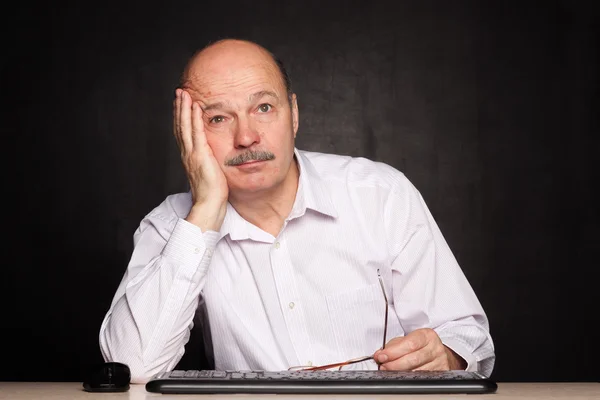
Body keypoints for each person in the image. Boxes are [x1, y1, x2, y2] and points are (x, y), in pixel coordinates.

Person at [99, 38, 495, 384]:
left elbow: (467, 337)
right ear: (188, 134)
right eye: (218, 118)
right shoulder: (174, 224)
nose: (247, 136)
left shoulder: (380, 194)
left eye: (264, 108)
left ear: (294, 114)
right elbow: (132, 367)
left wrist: (446, 355)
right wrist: (205, 209)